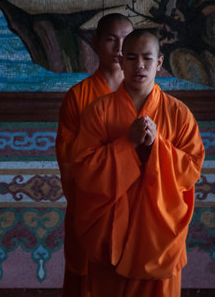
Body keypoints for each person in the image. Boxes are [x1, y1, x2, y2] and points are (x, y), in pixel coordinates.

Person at [71, 29, 205, 296]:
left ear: (159, 62)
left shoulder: (178, 113)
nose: (139, 65)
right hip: (111, 235)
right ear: (121, 61)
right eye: (131, 58)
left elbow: (191, 171)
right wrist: (127, 144)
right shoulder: (99, 111)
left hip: (159, 237)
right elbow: (83, 171)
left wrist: (158, 146)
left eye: (147, 58)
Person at [55, 13, 133, 297]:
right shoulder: (78, 96)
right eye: (111, 40)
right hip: (90, 208)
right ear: (96, 42)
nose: (119, 49)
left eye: (126, 41)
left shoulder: (143, 94)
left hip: (133, 209)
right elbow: (69, 160)